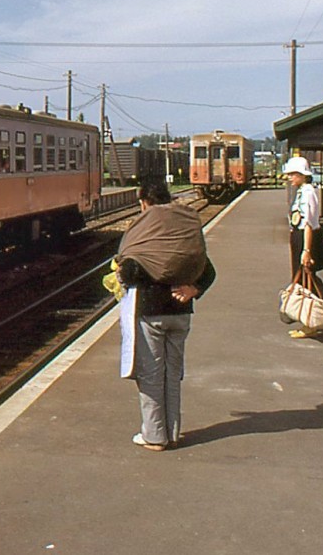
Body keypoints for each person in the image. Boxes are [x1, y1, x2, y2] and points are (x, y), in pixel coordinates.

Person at [115, 178, 214, 452]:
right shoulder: (185, 224)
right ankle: (172, 433)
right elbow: (208, 270)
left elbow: (130, 271)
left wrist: (120, 270)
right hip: (181, 312)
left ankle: (154, 436)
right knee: (173, 375)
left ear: (144, 201)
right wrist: (194, 290)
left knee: (151, 376)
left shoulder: (143, 229)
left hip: (151, 312)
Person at [283, 155, 323, 338]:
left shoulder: (308, 192)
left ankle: (312, 321)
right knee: (303, 280)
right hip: (299, 238)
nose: (289, 177)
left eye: (293, 174)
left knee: (308, 279)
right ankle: (308, 321)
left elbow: (308, 223)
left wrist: (306, 250)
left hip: (305, 239)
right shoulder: (302, 190)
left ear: (302, 174)